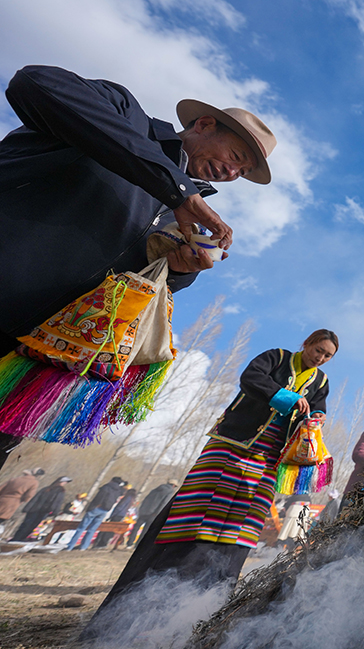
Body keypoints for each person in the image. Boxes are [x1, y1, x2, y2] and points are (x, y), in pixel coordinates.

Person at [0, 64, 278, 472]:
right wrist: (175, 187)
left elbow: (133, 287)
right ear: (203, 124)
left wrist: (180, 269)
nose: (233, 173)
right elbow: (34, 84)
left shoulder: (181, 215)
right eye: (236, 157)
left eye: (243, 171)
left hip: (30, 359)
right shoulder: (124, 116)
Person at [84, 329, 336, 637]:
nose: (320, 357)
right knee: (199, 506)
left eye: (327, 356)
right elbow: (251, 378)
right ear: (307, 343)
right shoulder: (277, 357)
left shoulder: (321, 382)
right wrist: (289, 398)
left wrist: (316, 418)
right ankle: (154, 594)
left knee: (245, 520)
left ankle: (207, 604)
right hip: (233, 441)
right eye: (318, 349)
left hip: (272, 458)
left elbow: (320, 408)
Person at [65, 477, 125, 550]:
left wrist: (93, 507)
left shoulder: (106, 487)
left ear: (112, 480)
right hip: (105, 510)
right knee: (92, 530)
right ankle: (84, 547)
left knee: (81, 528)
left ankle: (70, 546)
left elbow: (99, 498)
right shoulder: (118, 491)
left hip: (96, 508)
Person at [12, 475, 71, 542]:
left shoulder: (57, 490)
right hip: (36, 510)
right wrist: (27, 508)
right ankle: (17, 538)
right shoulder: (48, 489)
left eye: (65, 482)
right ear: (59, 481)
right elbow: (36, 499)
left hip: (42, 511)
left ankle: (21, 538)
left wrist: (54, 512)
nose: (64, 483)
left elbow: (57, 502)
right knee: (27, 525)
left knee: (32, 525)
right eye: (63, 482)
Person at [126, 480, 179, 547]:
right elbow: (164, 503)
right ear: (173, 485)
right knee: (146, 530)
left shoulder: (156, 489)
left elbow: (146, 498)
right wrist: (157, 513)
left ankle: (129, 543)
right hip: (153, 514)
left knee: (136, 527)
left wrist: (142, 509)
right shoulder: (170, 492)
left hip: (144, 511)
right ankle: (138, 545)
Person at [0, 467, 44, 537]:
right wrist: (23, 500)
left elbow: (1, 488)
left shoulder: (15, 479)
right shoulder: (34, 483)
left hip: (2, 499)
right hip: (13, 503)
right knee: (1, 519)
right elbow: (29, 495)